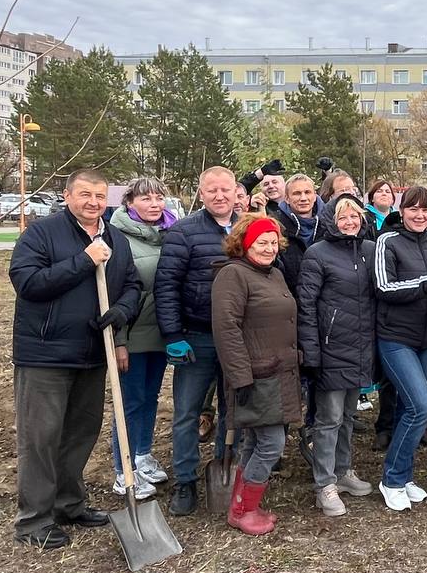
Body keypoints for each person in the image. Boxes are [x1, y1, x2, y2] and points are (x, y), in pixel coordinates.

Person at [8, 168, 141, 549]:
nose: (93, 202)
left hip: (92, 352)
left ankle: (68, 504)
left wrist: (123, 310)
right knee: (41, 438)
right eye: (85, 194)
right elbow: (28, 283)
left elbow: (132, 284)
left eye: (100, 196)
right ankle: (34, 520)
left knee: (81, 433)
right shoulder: (42, 234)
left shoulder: (115, 238)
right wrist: (84, 260)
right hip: (46, 355)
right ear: (67, 196)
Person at [211, 214, 302, 536]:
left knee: (254, 440)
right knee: (272, 444)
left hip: (278, 372)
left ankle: (241, 505)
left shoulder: (273, 273)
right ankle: (243, 510)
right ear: (245, 244)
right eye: (261, 242)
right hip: (256, 375)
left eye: (273, 243)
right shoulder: (233, 275)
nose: (269, 248)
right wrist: (240, 378)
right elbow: (227, 329)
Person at [154, 165, 237, 516]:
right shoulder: (184, 232)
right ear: (201, 194)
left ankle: (224, 465)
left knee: (233, 411)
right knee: (187, 412)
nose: (219, 196)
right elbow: (166, 285)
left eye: (225, 189)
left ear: (236, 191)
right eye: (211, 190)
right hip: (197, 336)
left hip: (236, 339)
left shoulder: (247, 228)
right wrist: (173, 334)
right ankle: (185, 481)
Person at [373, 185, 427, 511]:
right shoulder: (388, 241)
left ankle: (405, 476)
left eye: (426, 210)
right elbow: (384, 287)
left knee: (409, 409)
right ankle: (392, 479)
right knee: (421, 406)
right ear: (402, 211)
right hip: (396, 338)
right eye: (413, 209)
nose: (420, 215)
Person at [297, 194, 377, 516]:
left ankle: (343, 471)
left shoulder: (370, 250)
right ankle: (324, 483)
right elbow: (306, 305)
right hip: (331, 348)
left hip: (361, 347)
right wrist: (311, 351)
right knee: (328, 418)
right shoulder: (318, 254)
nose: (349, 222)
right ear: (332, 221)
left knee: (348, 416)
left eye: (354, 216)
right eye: (342, 217)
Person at [108, 177, 177, 499]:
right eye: (146, 198)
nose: (154, 204)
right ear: (130, 203)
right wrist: (119, 340)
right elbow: (114, 293)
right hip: (132, 334)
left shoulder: (169, 234)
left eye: (159, 197)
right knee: (130, 402)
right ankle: (123, 470)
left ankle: (142, 454)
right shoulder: (117, 237)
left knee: (150, 397)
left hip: (160, 332)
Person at [242, 160, 306, 290]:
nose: (271, 186)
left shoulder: (300, 205)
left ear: (285, 186)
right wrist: (259, 174)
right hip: (277, 273)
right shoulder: (258, 210)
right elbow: (238, 190)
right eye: (266, 184)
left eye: (275, 182)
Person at [285, 174, 321, 245]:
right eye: (297, 193)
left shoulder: (328, 225)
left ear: (315, 196)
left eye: (307, 192)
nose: (303, 198)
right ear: (287, 199)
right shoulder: (278, 226)